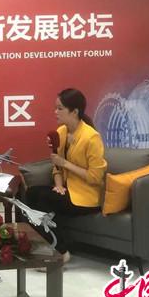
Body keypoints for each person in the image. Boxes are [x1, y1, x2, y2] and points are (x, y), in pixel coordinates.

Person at [26, 88, 107, 264]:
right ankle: (53, 245)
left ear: (74, 112)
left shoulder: (92, 137)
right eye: (55, 108)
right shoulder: (61, 132)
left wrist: (66, 164)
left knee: (41, 199)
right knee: (29, 194)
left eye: (60, 108)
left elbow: (95, 177)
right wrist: (58, 185)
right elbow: (56, 167)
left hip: (86, 197)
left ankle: (60, 251)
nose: (55, 112)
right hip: (66, 190)